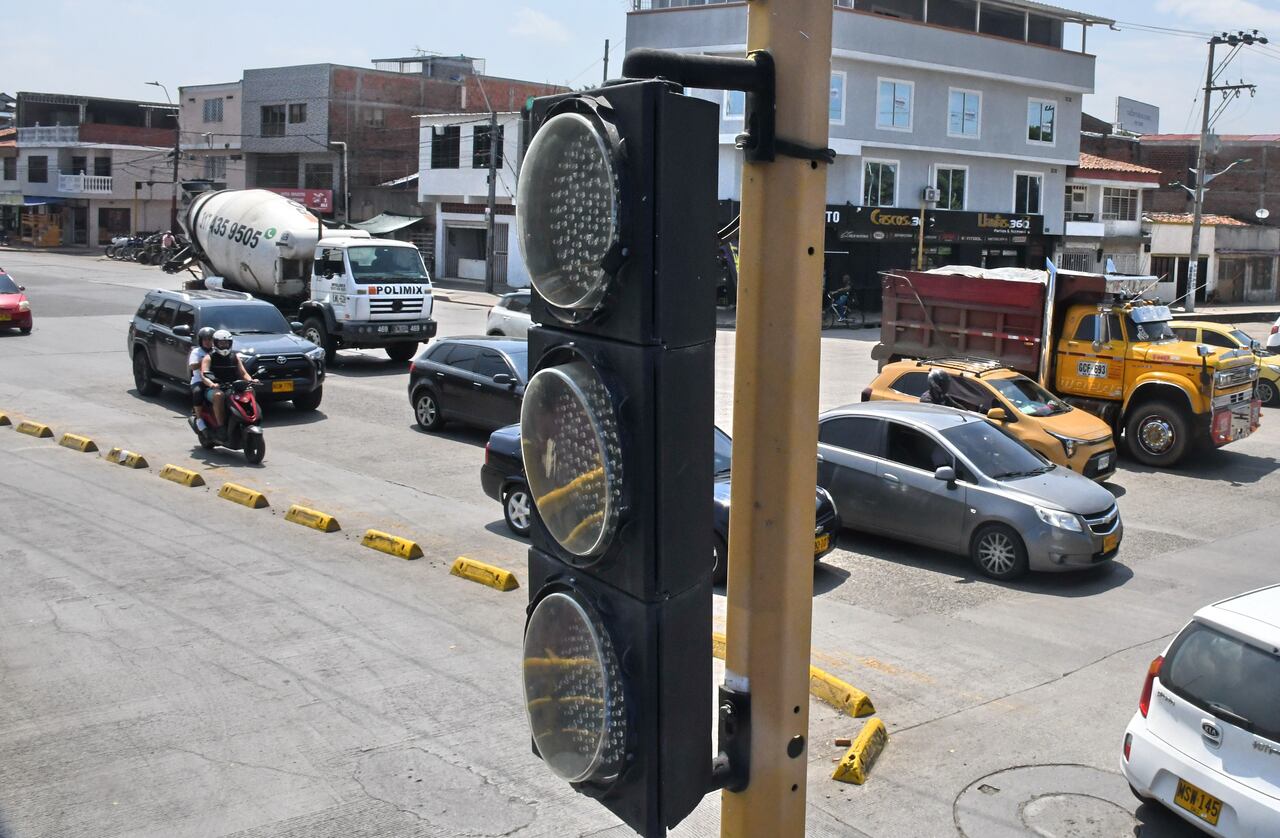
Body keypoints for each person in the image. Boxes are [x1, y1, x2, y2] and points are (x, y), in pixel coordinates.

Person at [201, 329, 258, 435]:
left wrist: (251, 380)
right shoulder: (209, 357)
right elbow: (204, 375)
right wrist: (212, 384)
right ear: (215, 343)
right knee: (219, 396)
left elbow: (243, 373)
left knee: (250, 390)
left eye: (226, 342)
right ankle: (221, 426)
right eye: (221, 343)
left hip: (233, 387)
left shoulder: (234, 356)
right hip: (215, 388)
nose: (224, 345)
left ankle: (250, 418)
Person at [189, 327, 215, 430]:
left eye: (210, 339)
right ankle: (199, 419)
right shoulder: (196, 352)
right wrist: (205, 361)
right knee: (198, 392)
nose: (208, 342)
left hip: (215, 380)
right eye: (205, 339)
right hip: (199, 380)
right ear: (201, 340)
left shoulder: (217, 351)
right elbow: (192, 366)